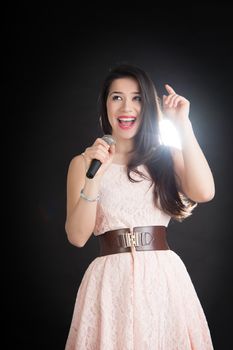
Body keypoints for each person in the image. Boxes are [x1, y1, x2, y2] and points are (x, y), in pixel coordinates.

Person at [64, 63, 215, 349]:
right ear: (105, 105)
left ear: (147, 106)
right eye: (117, 97)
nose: (126, 107)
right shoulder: (83, 163)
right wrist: (95, 176)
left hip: (163, 279)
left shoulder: (165, 157)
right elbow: (77, 236)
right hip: (109, 284)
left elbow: (204, 191)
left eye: (137, 98)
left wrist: (183, 124)